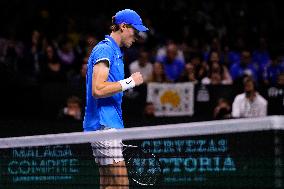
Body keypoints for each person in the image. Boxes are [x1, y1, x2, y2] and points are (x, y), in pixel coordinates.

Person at [83, 9, 148, 189]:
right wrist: (130, 82)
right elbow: (97, 88)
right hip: (104, 126)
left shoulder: (116, 53)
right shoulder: (105, 49)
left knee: (108, 185)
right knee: (121, 186)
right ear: (123, 26)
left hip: (106, 126)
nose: (137, 36)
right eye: (135, 30)